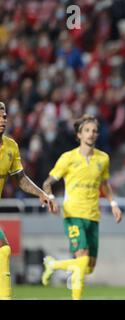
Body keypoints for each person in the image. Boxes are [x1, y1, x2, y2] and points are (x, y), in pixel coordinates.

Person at [41, 114, 123, 300]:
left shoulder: (103, 159)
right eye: (87, 130)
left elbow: (105, 184)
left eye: (94, 131)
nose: (91, 134)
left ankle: (53, 265)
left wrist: (113, 203)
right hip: (73, 213)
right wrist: (51, 198)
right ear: (79, 135)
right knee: (82, 257)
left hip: (93, 216)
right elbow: (47, 183)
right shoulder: (67, 158)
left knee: (88, 267)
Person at [0, 101, 57, 300]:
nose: (2, 120)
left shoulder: (11, 146)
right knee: (3, 249)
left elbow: (20, 178)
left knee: (4, 250)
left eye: (4, 116)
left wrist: (41, 193)